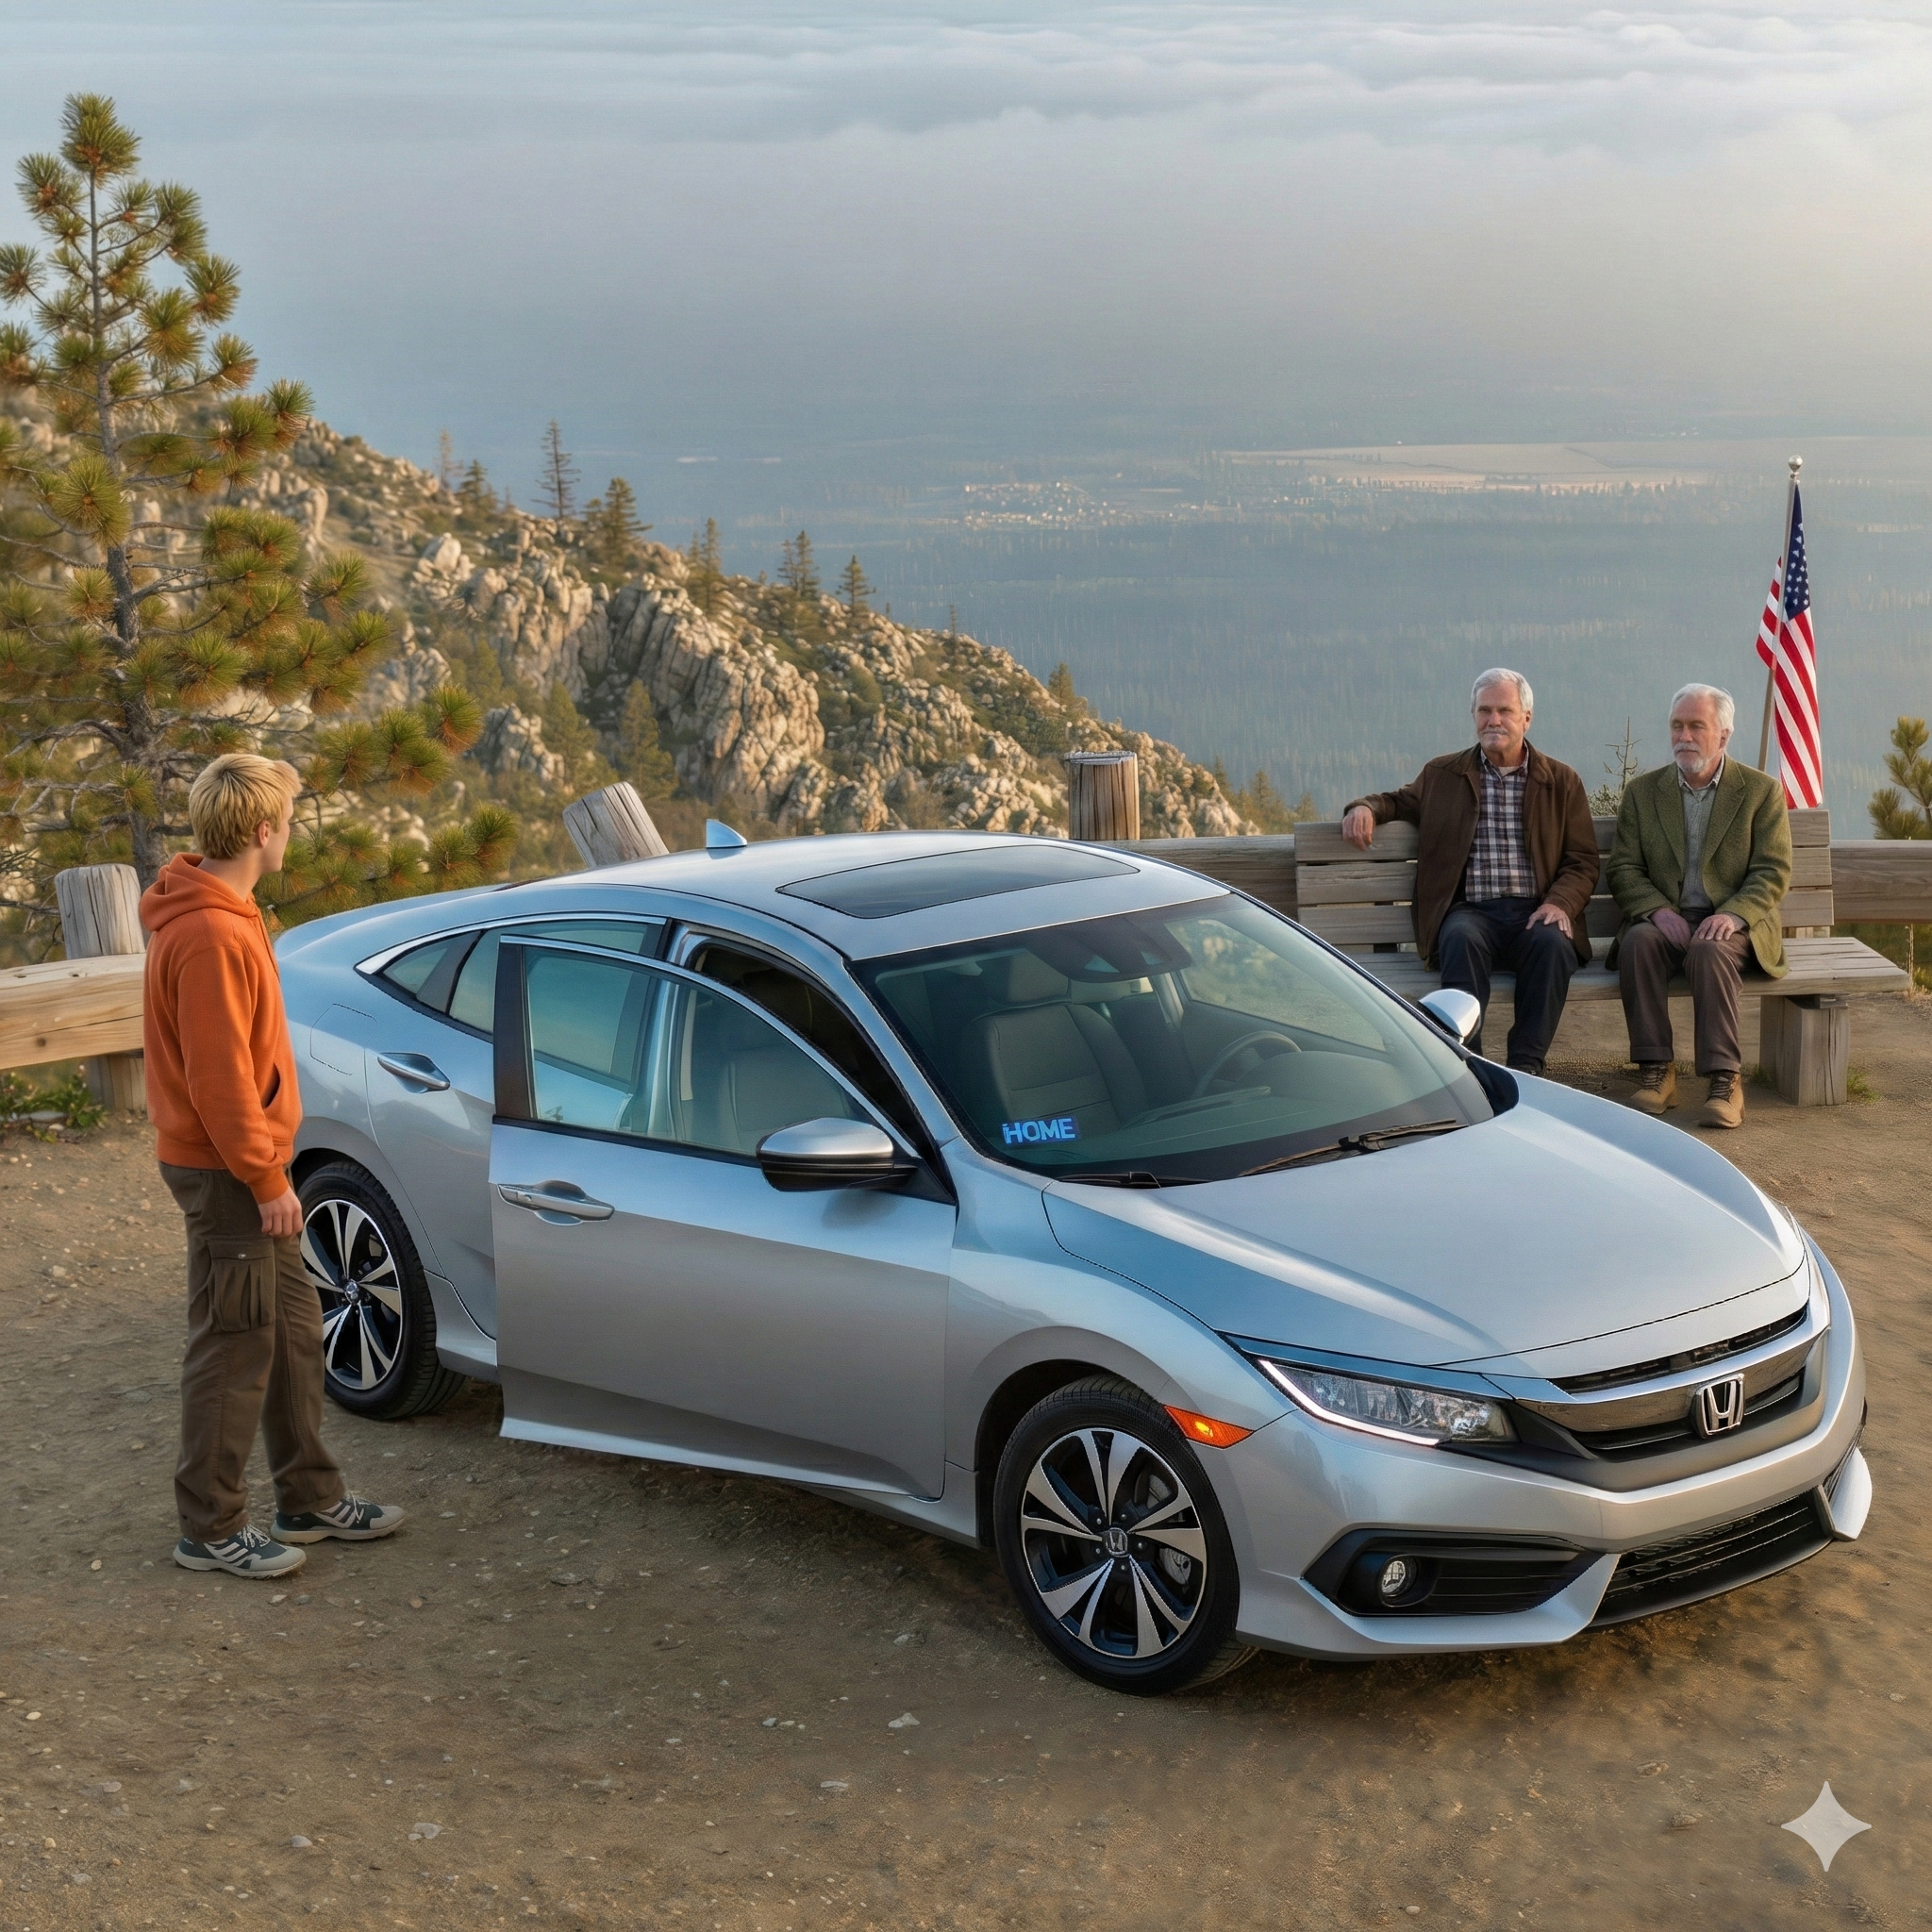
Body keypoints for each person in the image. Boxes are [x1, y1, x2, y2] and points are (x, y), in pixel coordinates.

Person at [141, 753, 405, 1577]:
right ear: (262, 832)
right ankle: (211, 1526)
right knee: (233, 1341)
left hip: (249, 1160)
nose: (290, 832)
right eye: (286, 820)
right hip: (229, 1170)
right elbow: (218, 1083)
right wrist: (265, 1179)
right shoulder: (213, 933)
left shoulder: (229, 907)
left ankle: (311, 1499)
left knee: (293, 1333)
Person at [1341, 669, 1600, 1074]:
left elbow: (1583, 860)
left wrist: (1560, 902)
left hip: (1536, 910)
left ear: (1526, 718)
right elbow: (1398, 801)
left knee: (1553, 944)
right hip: (1472, 912)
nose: (1493, 720)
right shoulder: (1444, 775)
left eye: (1504, 711)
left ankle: (1526, 1067)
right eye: (1484, 711)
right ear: (1474, 716)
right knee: (1459, 937)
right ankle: (1470, 1066)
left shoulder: (1561, 782)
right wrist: (1364, 807)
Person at [1607, 684, 1791, 1130]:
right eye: (1677, 725)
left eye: (1696, 726)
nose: (1684, 736)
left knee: (1711, 950)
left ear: (1723, 735)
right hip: (1667, 918)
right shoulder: (1643, 793)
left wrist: (1731, 915)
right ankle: (1657, 1072)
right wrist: (1655, 910)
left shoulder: (1760, 792)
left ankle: (1724, 1080)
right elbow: (1625, 868)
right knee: (1639, 943)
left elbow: (1772, 870)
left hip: (1734, 922)